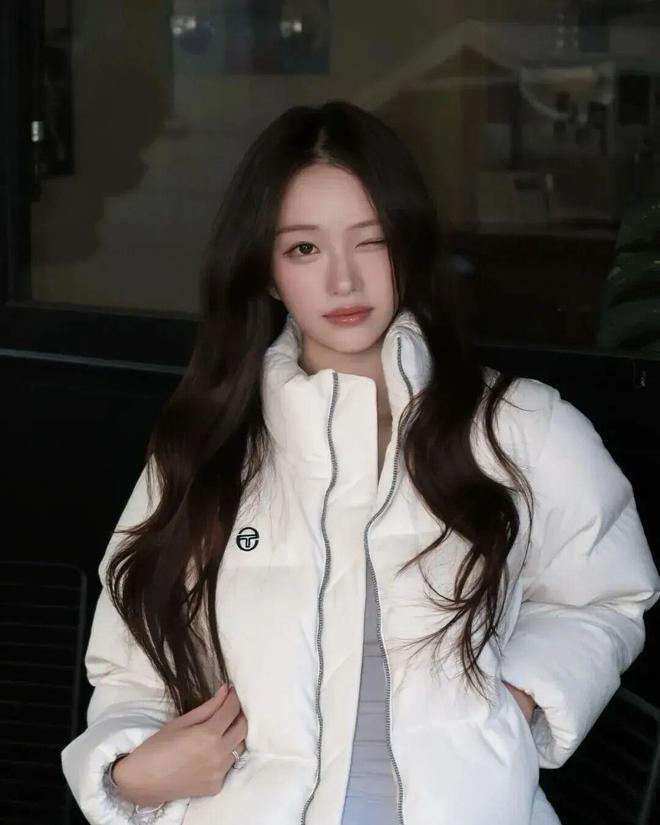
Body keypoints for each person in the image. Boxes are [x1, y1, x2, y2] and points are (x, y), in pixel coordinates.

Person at [61, 100, 660, 825]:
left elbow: (605, 594)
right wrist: (132, 773)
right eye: (303, 249)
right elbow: (131, 665)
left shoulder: (522, 426)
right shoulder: (209, 448)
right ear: (266, 271)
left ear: (408, 246)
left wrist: (515, 702)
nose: (343, 281)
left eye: (370, 241)